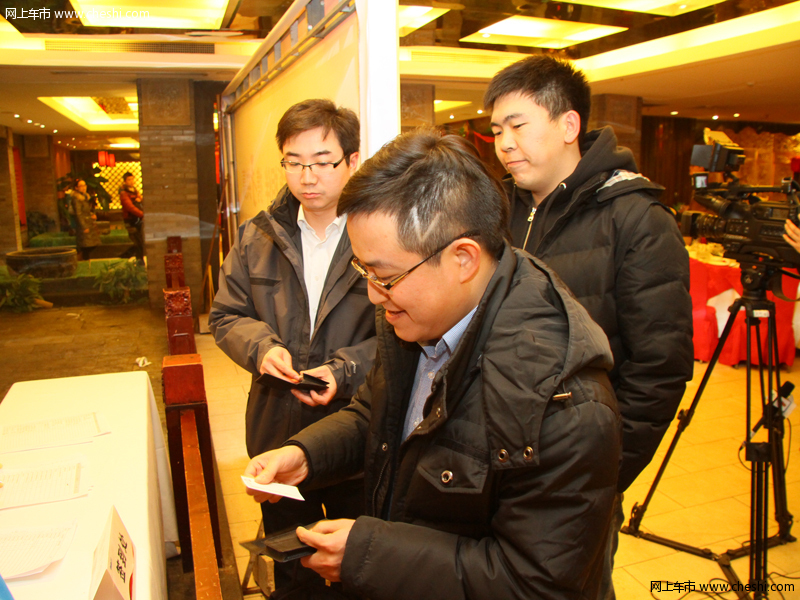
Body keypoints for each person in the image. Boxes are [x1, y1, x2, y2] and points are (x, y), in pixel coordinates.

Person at [244, 129, 621, 599]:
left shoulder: (565, 404)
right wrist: (306, 455)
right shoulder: (415, 322)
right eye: (363, 270)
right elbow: (378, 414)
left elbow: (534, 584)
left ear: (463, 259)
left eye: (384, 275)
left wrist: (373, 557)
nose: (373, 295)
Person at [484, 55, 694, 598]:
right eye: (497, 130)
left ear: (568, 124)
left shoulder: (637, 219)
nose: (504, 143)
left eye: (517, 125)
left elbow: (661, 367)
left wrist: (603, 472)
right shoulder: (497, 212)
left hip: (580, 469)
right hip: (497, 457)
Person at [208, 99, 377, 593]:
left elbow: (403, 331)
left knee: (357, 567)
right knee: (290, 566)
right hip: (276, 428)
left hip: (356, 438)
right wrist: (261, 348)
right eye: (294, 162)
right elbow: (226, 315)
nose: (307, 177)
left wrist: (345, 370)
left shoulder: (380, 232)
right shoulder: (257, 236)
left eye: (322, 162)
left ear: (352, 160)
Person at [71, 179, 100, 261]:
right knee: (85, 245)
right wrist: (84, 226)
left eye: (84, 185)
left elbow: (86, 210)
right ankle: (82, 258)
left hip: (89, 223)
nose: (83, 187)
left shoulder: (85, 197)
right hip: (83, 224)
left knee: (92, 244)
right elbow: (78, 213)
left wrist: (91, 215)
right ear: (76, 188)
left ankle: (84, 258)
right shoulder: (77, 198)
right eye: (81, 186)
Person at [119, 172, 144, 263]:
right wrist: (142, 214)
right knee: (137, 241)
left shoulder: (134, 191)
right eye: (129, 179)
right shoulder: (124, 193)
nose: (131, 181)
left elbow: (141, 199)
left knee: (139, 240)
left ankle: (138, 259)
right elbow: (130, 207)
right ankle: (128, 256)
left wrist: (140, 200)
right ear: (125, 181)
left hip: (137, 219)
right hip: (131, 220)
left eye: (132, 179)